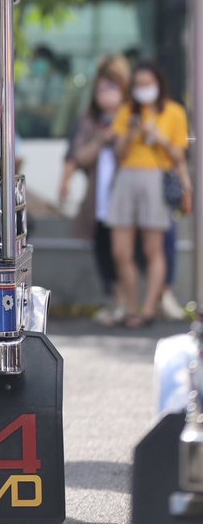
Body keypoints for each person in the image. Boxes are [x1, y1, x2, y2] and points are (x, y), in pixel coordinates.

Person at [109, 60, 192, 328]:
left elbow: (180, 155)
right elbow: (118, 153)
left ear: (158, 84)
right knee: (121, 250)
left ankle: (148, 310)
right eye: (139, 84)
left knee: (152, 248)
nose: (143, 89)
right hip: (127, 177)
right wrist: (134, 132)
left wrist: (160, 137)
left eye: (148, 84)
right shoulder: (127, 111)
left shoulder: (174, 112)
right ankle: (131, 307)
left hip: (156, 176)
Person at [59, 55, 131, 326]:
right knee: (104, 252)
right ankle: (117, 301)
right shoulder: (90, 120)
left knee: (124, 254)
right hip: (99, 202)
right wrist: (101, 139)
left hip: (128, 201)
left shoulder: (133, 118)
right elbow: (79, 156)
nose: (105, 95)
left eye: (111, 88)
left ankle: (131, 304)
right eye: (101, 89)